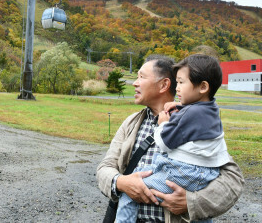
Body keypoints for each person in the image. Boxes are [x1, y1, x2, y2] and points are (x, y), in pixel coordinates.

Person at [97, 54, 244, 222]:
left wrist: (192, 203)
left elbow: (233, 180)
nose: (135, 83)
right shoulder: (131, 123)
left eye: (141, 77)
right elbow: (104, 168)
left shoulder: (196, 122)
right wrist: (121, 182)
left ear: (164, 84)